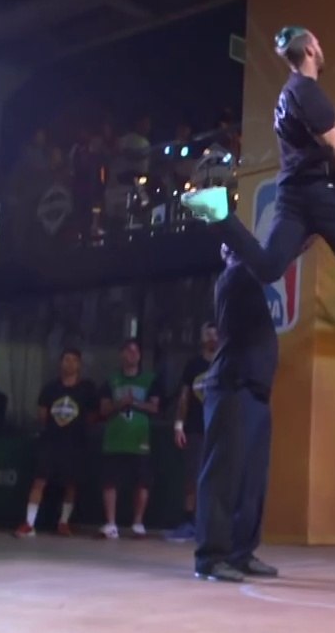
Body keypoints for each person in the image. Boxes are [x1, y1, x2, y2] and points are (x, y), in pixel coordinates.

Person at [180, 26, 335, 395]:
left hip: (292, 195)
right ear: (310, 48)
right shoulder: (310, 93)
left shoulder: (290, 94)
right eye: (319, 42)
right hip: (323, 194)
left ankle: (219, 214)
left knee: (268, 267)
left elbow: (331, 132)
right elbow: (334, 151)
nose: (322, 47)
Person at [194, 243, 280, 583]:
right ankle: (211, 558)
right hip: (232, 386)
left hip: (255, 391)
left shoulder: (251, 283)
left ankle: (240, 553)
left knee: (251, 480)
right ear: (228, 253)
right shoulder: (234, 277)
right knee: (223, 476)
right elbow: (269, 260)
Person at [16, 349, 96, 538]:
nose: (70, 363)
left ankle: (64, 522)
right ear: (60, 363)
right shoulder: (50, 388)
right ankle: (29, 523)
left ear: (79, 365)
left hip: (75, 443)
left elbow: (93, 416)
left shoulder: (87, 389)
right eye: (66, 359)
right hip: (51, 442)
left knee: (71, 484)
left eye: (74, 360)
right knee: (39, 480)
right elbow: (43, 415)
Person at [98, 339, 162, 539]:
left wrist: (134, 403)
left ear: (140, 356)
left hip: (140, 440)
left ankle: (138, 523)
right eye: (128, 351)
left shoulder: (150, 380)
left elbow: (154, 407)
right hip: (114, 440)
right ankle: (111, 524)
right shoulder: (111, 380)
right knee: (110, 482)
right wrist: (120, 403)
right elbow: (104, 409)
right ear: (121, 354)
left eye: (135, 351)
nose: (132, 355)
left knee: (142, 482)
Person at [167, 322, 220, 543]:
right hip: (196, 429)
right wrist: (179, 425)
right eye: (207, 334)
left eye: (215, 334)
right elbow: (184, 396)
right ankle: (190, 521)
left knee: (218, 477)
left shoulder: (225, 363)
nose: (211, 338)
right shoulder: (193, 365)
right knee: (193, 476)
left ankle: (213, 525)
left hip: (219, 430)